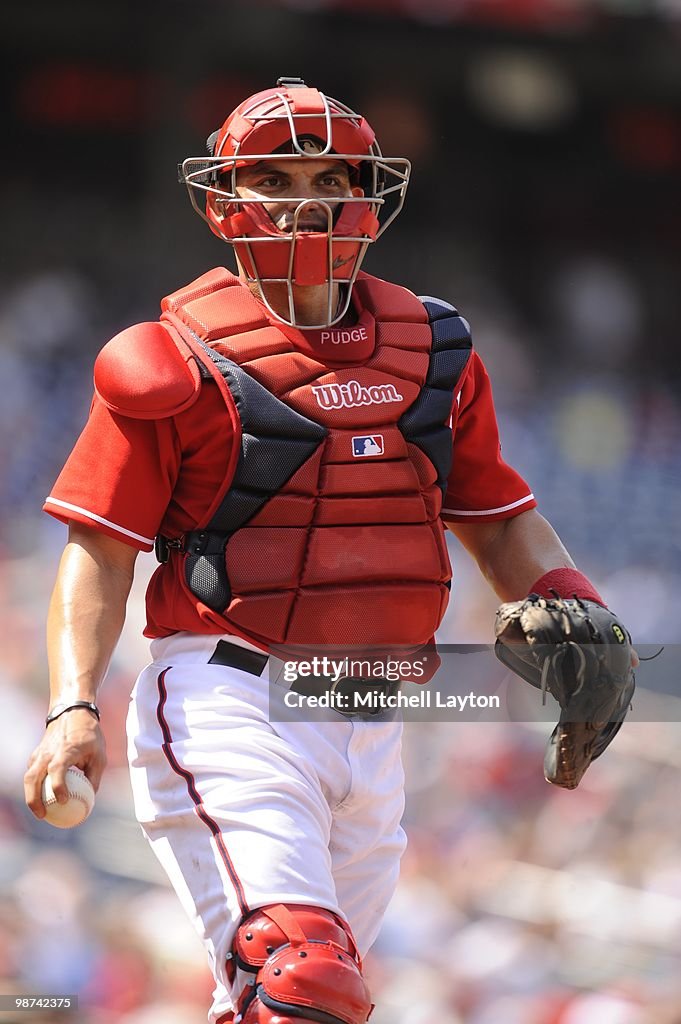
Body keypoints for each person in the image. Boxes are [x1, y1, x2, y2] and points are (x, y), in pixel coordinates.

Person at [24, 78, 628, 1024]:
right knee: (297, 977)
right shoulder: (168, 358)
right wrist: (70, 706)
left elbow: (499, 517)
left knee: (293, 1000)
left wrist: (573, 600)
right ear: (224, 198)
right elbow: (99, 548)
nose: (304, 197)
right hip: (231, 696)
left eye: (328, 174)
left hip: (371, 714)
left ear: (368, 195)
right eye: (273, 176)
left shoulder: (435, 348)